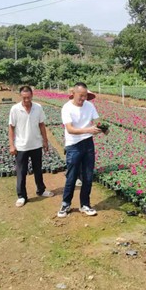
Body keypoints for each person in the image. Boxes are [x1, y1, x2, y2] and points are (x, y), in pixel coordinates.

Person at [57, 82, 101, 218]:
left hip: (88, 143)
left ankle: (85, 205)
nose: (83, 98)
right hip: (73, 145)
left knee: (88, 176)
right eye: (81, 96)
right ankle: (65, 204)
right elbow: (70, 129)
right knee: (71, 176)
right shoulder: (67, 108)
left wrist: (102, 128)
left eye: (85, 95)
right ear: (73, 93)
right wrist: (88, 129)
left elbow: (98, 120)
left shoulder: (89, 105)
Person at [8, 85, 54, 207]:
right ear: (20, 96)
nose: (27, 100)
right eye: (24, 98)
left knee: (38, 169)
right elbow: (11, 127)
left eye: (28, 97)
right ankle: (22, 196)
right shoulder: (15, 109)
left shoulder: (38, 108)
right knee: (21, 172)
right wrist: (12, 145)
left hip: (36, 144)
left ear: (32, 96)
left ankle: (41, 190)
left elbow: (42, 125)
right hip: (21, 146)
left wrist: (45, 141)